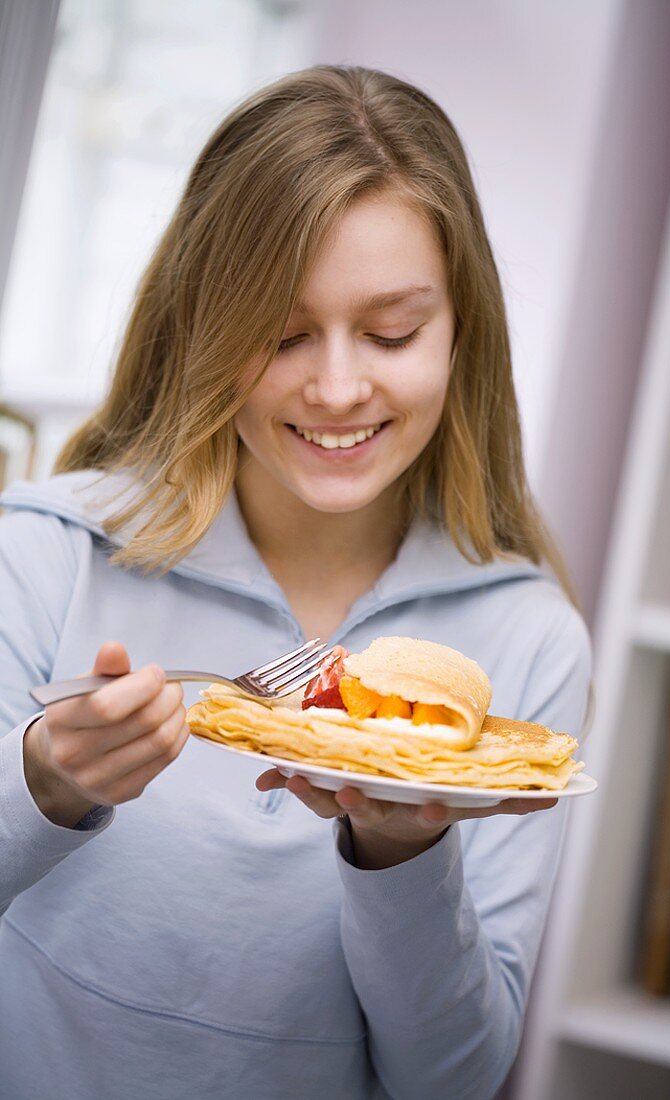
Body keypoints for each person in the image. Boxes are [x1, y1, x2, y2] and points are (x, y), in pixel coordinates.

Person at [0, 65, 592, 1100]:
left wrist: (403, 854)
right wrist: (43, 784)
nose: (333, 385)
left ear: (462, 332)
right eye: (278, 332)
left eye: (390, 332)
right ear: (204, 322)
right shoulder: (46, 550)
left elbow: (451, 1078)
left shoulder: (527, 643)